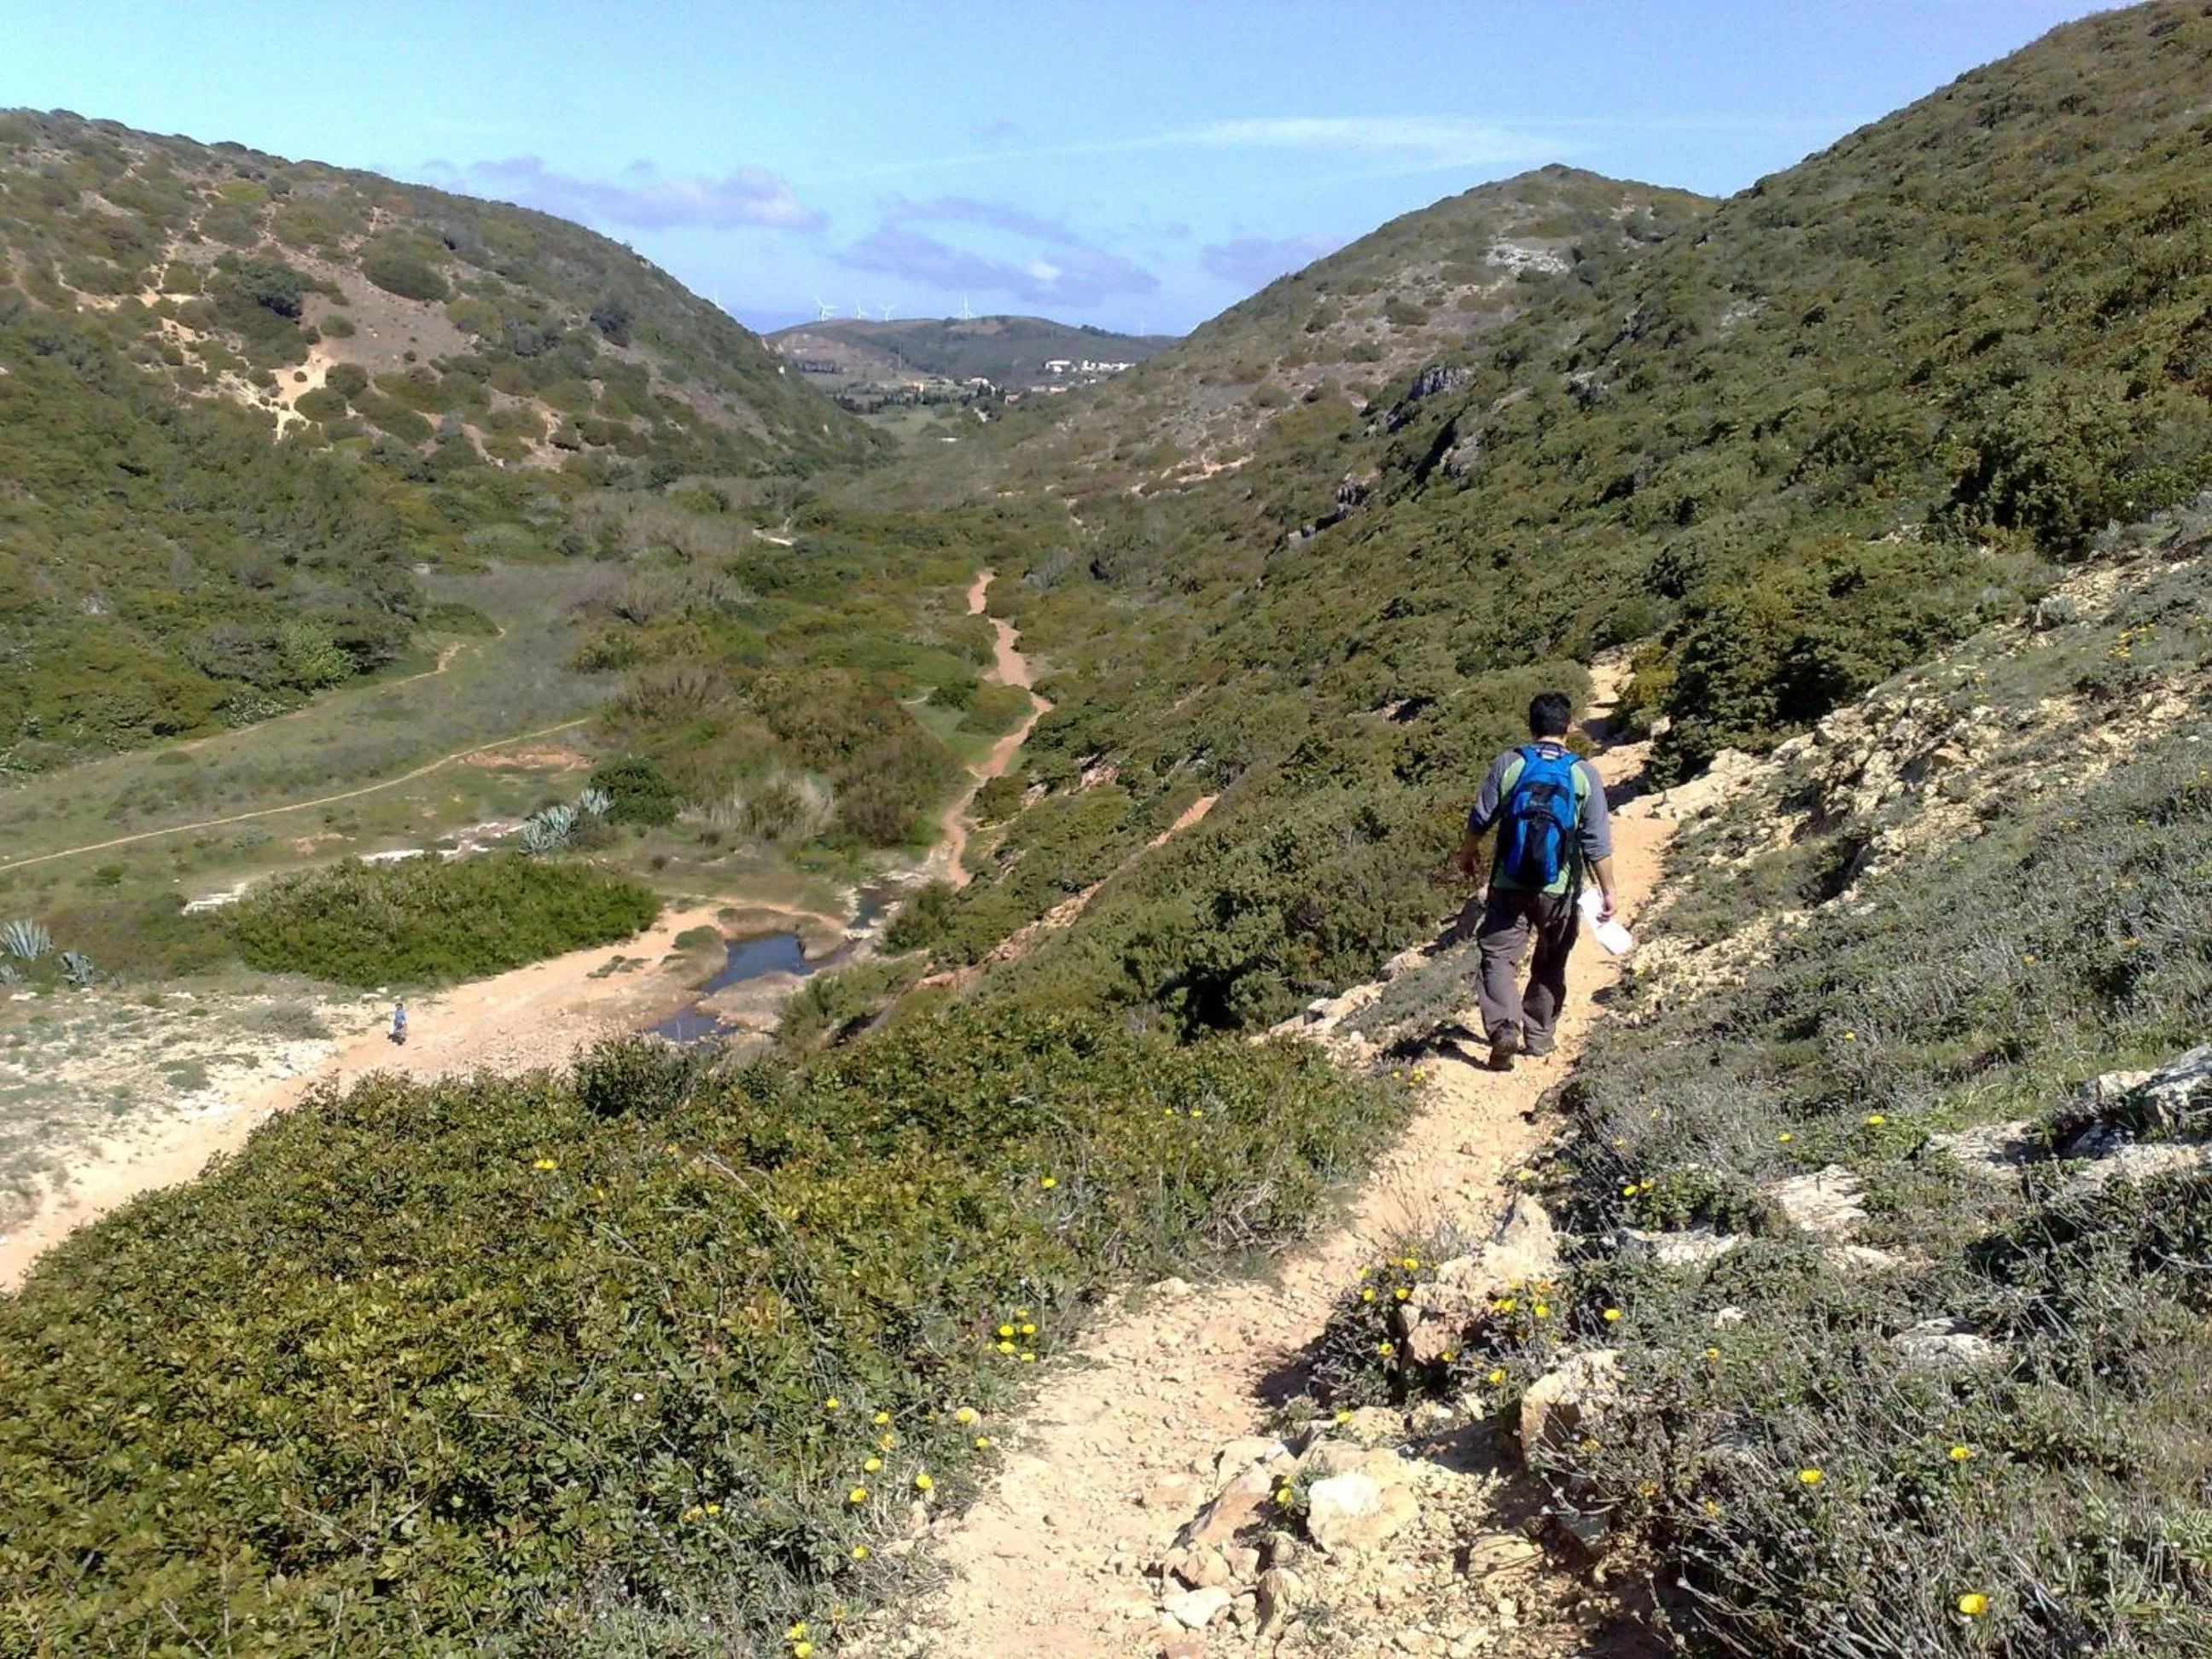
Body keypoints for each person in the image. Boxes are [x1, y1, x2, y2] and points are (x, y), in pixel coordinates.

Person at [1456, 690, 1617, 1072]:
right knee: (1550, 961)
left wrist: (1467, 853)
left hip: (1509, 883)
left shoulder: (1509, 763)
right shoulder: (1583, 773)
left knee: (1498, 956)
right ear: (1569, 726)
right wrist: (1608, 890)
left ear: (1531, 725)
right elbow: (1596, 840)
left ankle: (1503, 1028)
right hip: (1559, 889)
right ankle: (1540, 1038)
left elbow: (1480, 818)